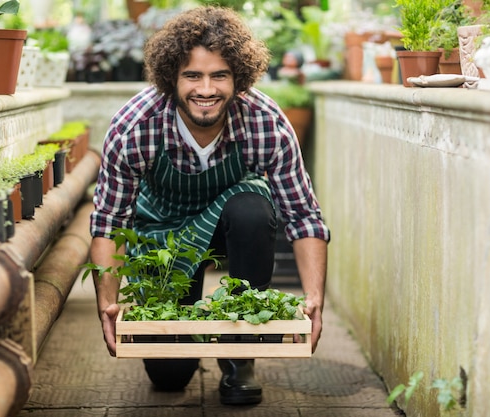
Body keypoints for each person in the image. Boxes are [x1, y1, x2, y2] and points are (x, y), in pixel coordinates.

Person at [88, 6, 330, 406]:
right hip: (162, 234)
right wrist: (107, 304)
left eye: (219, 75)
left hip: (231, 223)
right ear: (171, 79)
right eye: (192, 76)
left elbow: (303, 215)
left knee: (253, 210)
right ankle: (182, 343)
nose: (206, 89)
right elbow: (110, 222)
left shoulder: (265, 121)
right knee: (169, 377)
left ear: (239, 78)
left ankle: (240, 353)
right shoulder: (135, 127)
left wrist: (315, 297)